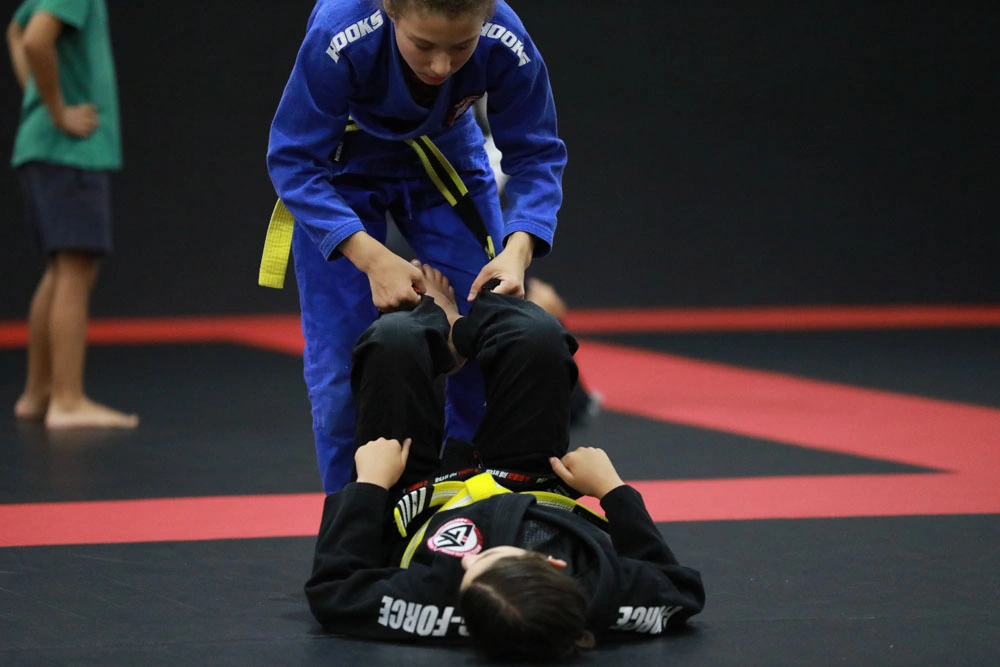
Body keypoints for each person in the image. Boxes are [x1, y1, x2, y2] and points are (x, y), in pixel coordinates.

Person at [305, 264, 705, 661]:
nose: (469, 556)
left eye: (466, 572)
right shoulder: (605, 597)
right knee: (538, 336)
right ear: (555, 564)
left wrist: (370, 486)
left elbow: (334, 593)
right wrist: (613, 491)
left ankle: (434, 325)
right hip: (531, 481)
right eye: (489, 556)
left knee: (394, 341)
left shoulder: (444, 606)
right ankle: (462, 329)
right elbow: (680, 588)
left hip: (419, 499)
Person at [265, 0, 566, 493]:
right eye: (423, 45)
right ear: (389, 9)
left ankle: (474, 505)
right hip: (340, 167)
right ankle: (353, 514)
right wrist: (371, 257)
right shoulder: (341, 32)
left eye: (461, 46)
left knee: (487, 336)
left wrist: (518, 249)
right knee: (343, 370)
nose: (441, 66)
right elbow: (293, 161)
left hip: (446, 157)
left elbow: (537, 154)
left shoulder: (504, 35)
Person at [7, 0, 138, 430]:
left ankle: (39, 393)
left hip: (48, 149)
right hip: (70, 152)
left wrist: (40, 99)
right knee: (75, 268)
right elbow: (34, 39)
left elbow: (16, 31)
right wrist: (57, 109)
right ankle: (67, 400)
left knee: (61, 268)